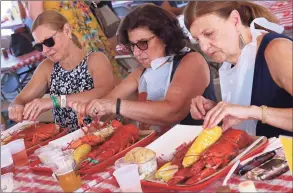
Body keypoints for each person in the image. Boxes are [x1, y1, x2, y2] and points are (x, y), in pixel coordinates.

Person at [69, 4, 216, 133]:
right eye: (132, 45)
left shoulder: (191, 61)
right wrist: (90, 109)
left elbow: (172, 111)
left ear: (165, 36)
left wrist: (115, 106)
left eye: (143, 43)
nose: (137, 52)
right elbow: (108, 105)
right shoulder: (144, 69)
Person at [185, 1, 293, 137]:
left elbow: (250, 111)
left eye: (208, 33)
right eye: (197, 39)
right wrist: (216, 109)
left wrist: (252, 112)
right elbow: (246, 110)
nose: (204, 48)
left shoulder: (277, 49)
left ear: (235, 20)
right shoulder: (229, 60)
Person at [8, 10, 115, 132]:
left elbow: (104, 92)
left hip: (101, 135)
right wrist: (15, 106)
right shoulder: (47, 67)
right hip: (64, 143)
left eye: (49, 42)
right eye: (39, 46)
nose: (45, 50)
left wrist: (55, 101)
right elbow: (21, 99)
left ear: (67, 31)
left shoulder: (95, 59)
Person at [24, 0, 126, 81]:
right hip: (69, 36)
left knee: (104, 67)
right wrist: (49, 40)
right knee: (86, 72)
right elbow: (36, 15)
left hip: (88, 30)